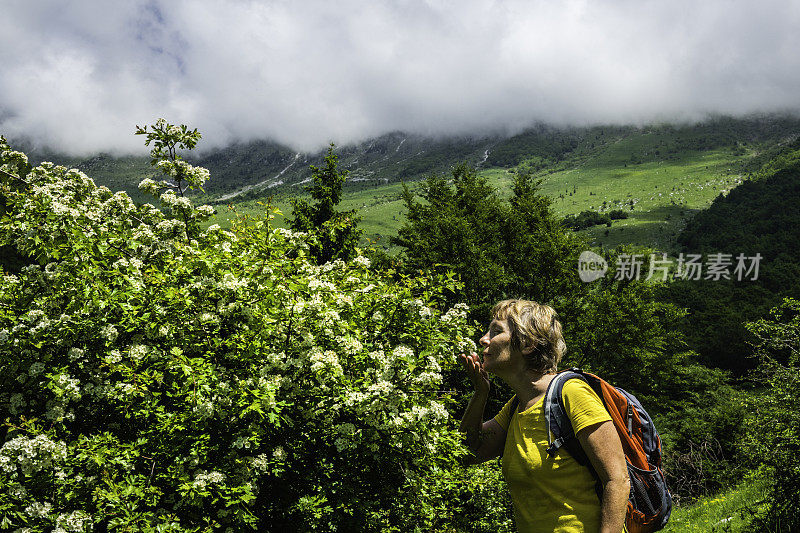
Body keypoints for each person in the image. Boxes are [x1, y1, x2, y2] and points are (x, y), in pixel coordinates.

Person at [459, 299, 629, 533]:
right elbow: (469, 451)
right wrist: (480, 392)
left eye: (496, 331)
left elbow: (617, 480)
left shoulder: (571, 393)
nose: (483, 339)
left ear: (527, 344)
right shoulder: (516, 407)